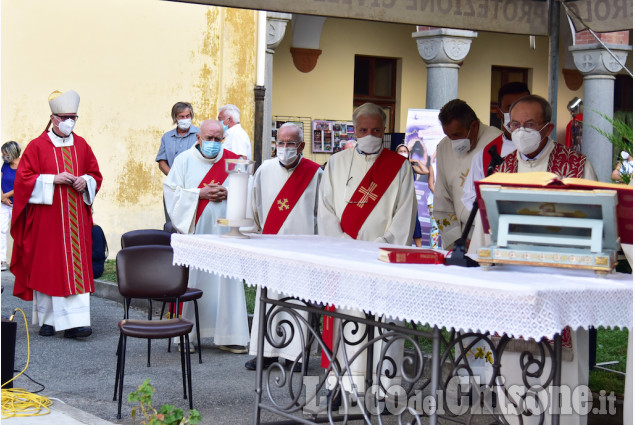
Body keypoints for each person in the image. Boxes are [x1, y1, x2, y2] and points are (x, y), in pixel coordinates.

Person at [473, 95, 596, 425]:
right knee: (514, 381)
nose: (521, 132)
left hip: (560, 290)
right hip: (514, 291)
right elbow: (485, 236)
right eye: (515, 125)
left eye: (529, 125)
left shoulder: (576, 168)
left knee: (562, 386)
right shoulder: (501, 172)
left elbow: (594, 232)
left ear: (548, 128)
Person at [318, 102, 417, 405]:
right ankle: (345, 383)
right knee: (349, 317)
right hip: (346, 257)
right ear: (354, 130)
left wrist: (379, 246)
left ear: (384, 131)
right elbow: (325, 210)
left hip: (383, 258)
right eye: (363, 130)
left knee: (386, 322)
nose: (370, 135)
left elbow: (405, 215)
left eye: (376, 130)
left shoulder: (399, 167)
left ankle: (387, 389)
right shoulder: (335, 163)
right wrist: (345, 245)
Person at [11, 90, 102, 338]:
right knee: (48, 267)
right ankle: (49, 320)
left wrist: (86, 182)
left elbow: (95, 174)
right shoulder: (37, 146)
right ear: (53, 118)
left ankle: (76, 323)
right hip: (47, 220)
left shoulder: (82, 145)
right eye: (65, 117)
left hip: (76, 220)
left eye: (74, 117)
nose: (70, 121)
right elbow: (23, 181)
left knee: (75, 268)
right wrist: (52, 180)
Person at [164, 119, 250, 353]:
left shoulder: (236, 161)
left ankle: (230, 335)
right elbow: (171, 193)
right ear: (198, 138)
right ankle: (186, 334)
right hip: (196, 234)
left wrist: (229, 192)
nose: (213, 143)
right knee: (193, 280)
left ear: (223, 139)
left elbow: (248, 195)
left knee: (228, 280)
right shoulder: (183, 161)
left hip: (226, 233)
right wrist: (199, 193)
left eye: (217, 139)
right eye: (208, 138)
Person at [244, 122, 323, 371]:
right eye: (281, 142)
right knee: (268, 300)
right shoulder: (264, 171)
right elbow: (253, 206)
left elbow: (322, 214)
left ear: (301, 146)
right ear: (275, 143)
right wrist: (254, 236)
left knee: (298, 303)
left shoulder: (315, 174)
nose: (285, 147)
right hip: (271, 246)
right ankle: (264, 353)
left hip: (303, 250)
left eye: (291, 143)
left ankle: (294, 355)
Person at [433, 99, 502, 250]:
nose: (453, 141)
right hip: (460, 233)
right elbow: (442, 196)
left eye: (457, 135)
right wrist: (457, 239)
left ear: (474, 126)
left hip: (488, 233)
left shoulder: (498, 142)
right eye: (449, 136)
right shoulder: (444, 147)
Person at [462, 82, 530, 210]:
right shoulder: (485, 156)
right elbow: (471, 199)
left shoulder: (554, 153)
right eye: (510, 107)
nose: (517, 113)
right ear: (499, 112)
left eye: (522, 106)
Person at [396, 143, 426, 247]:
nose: (402, 153)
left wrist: (416, 161)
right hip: (398, 199)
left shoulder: (411, 166)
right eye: (400, 151)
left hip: (410, 199)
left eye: (405, 151)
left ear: (408, 153)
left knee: (414, 222)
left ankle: (419, 249)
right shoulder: (393, 167)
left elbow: (425, 171)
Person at [1, 141, 20, 271]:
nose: (3, 156)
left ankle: (20, 261)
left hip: (18, 203)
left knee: (19, 232)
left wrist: (5, 196)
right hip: (3, 203)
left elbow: (22, 184)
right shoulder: (5, 165)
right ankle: (2, 260)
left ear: (12, 153)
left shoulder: (24, 165)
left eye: (5, 154)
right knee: (1, 230)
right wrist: (2, 197)